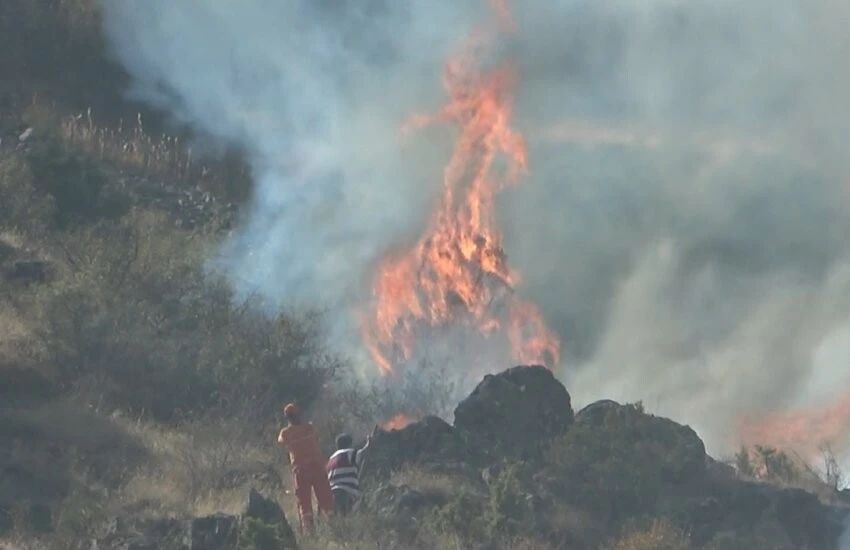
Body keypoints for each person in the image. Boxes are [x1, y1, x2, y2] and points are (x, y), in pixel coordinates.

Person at [277, 403, 334, 532]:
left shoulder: (286, 433)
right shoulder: (309, 427)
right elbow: (316, 436)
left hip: (301, 470)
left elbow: (280, 441)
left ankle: (309, 531)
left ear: (287, 418)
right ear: (299, 414)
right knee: (325, 498)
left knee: (304, 502)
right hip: (316, 467)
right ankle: (333, 526)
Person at [326, 428, 374, 515]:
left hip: (331, 493)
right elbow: (364, 453)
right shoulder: (349, 453)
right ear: (349, 444)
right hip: (346, 491)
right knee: (361, 505)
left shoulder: (331, 458)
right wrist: (369, 442)